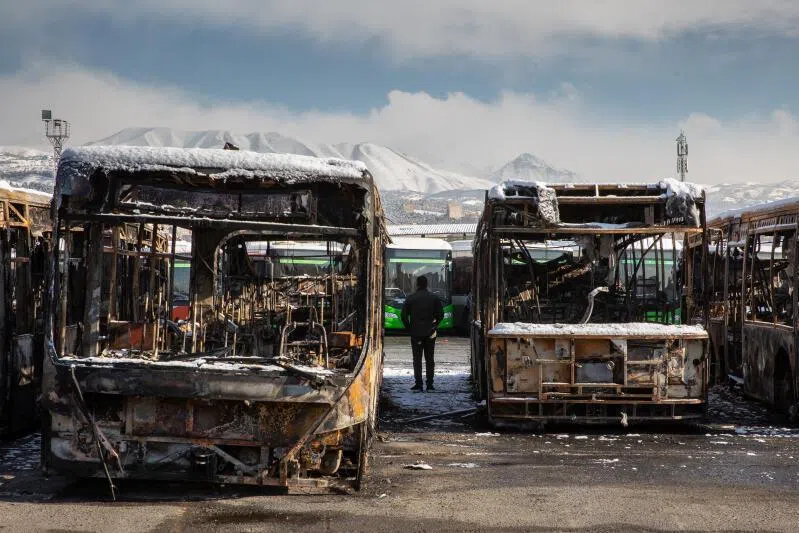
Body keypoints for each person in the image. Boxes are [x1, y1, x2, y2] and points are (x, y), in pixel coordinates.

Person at [401, 275, 444, 391]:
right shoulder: (434, 298)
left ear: (417, 284)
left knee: (417, 360)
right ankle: (430, 384)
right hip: (430, 333)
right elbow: (441, 315)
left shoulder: (411, 298)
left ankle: (418, 384)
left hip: (416, 333)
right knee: (430, 359)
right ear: (427, 284)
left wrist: (409, 328)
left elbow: (403, 316)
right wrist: (434, 326)